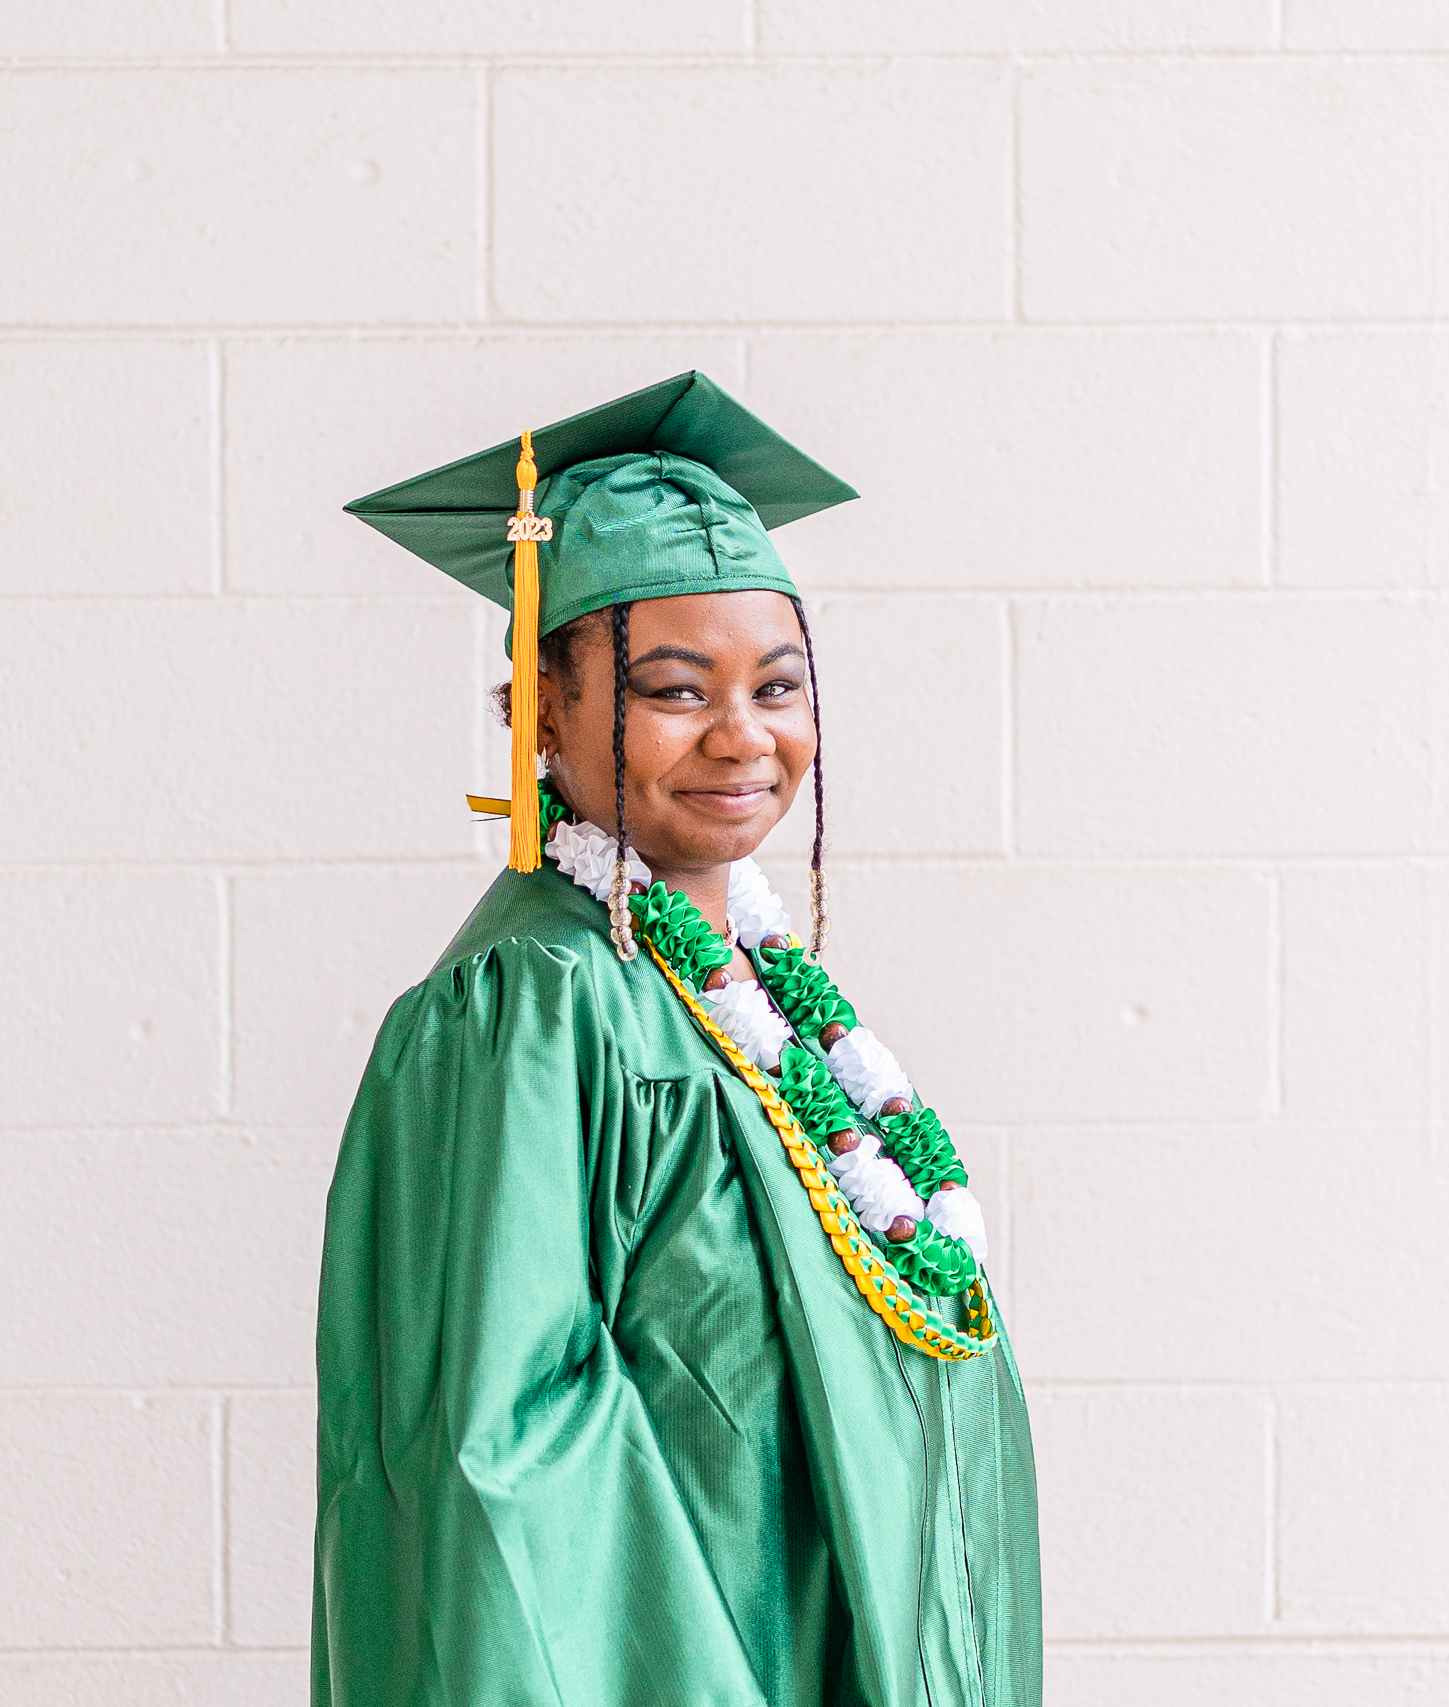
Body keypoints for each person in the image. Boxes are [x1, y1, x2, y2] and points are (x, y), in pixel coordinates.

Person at [313, 372, 1041, 1707]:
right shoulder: (539, 1006)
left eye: (778, 685)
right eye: (672, 688)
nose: (742, 736)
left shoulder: (749, 1004)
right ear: (540, 709)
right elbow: (505, 1464)